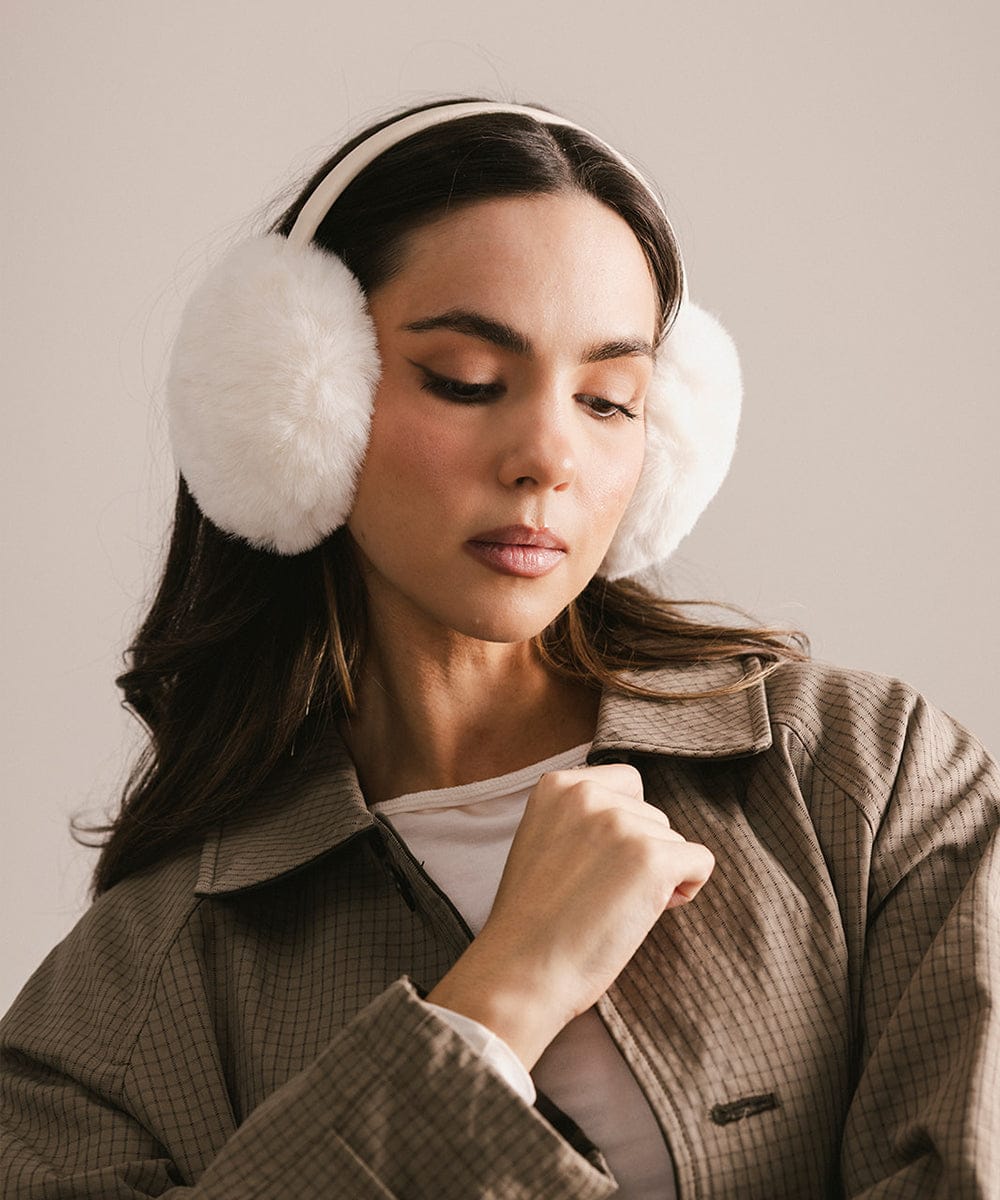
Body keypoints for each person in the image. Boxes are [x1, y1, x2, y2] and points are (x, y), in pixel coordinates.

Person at [1, 97, 997, 1200]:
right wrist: (504, 996)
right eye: (468, 381)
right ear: (299, 402)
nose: (545, 456)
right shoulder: (133, 990)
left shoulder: (869, 785)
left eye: (609, 400)